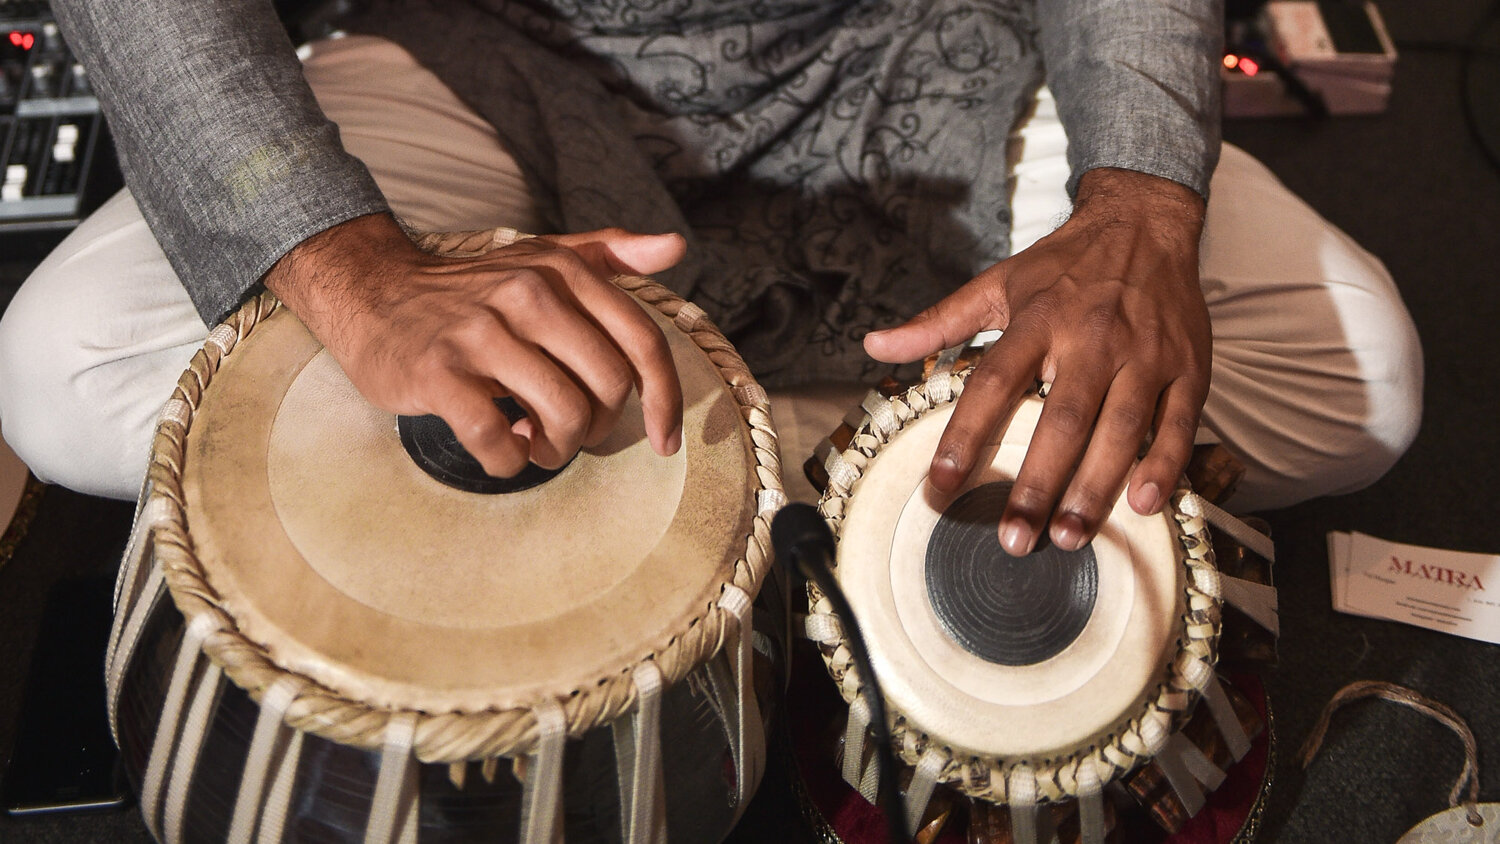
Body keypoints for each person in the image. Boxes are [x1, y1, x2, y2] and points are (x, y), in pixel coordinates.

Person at [0, 0, 1421, 556]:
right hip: (496, 55)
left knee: (1358, 374)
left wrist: (1141, 206)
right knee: (63, 365)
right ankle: (891, 474)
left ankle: (670, 474)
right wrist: (358, 273)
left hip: (923, 45)